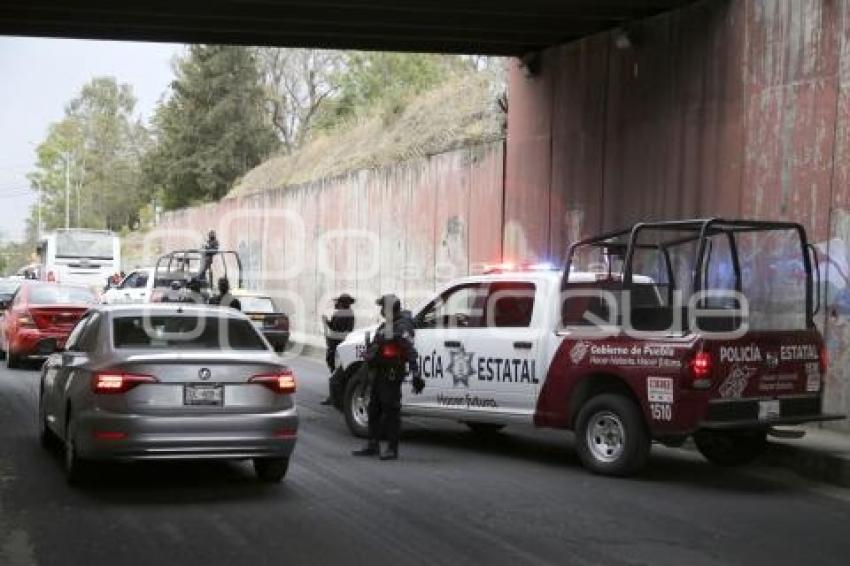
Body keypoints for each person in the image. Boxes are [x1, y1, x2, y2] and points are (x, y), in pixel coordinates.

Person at [352, 294, 424, 461]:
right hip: (378, 373)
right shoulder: (386, 325)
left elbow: (410, 351)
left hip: (391, 375)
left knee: (391, 412)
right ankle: (373, 445)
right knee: (374, 409)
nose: (381, 311)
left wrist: (416, 373)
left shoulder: (401, 327)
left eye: (383, 307)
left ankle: (392, 448)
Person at [320, 294, 356, 406]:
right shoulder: (341, 313)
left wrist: (328, 325)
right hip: (334, 344)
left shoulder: (347, 314)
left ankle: (335, 397)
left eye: (339, 302)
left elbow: (342, 331)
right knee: (334, 370)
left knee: (335, 373)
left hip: (338, 345)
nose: (337, 304)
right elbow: (334, 327)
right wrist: (326, 322)